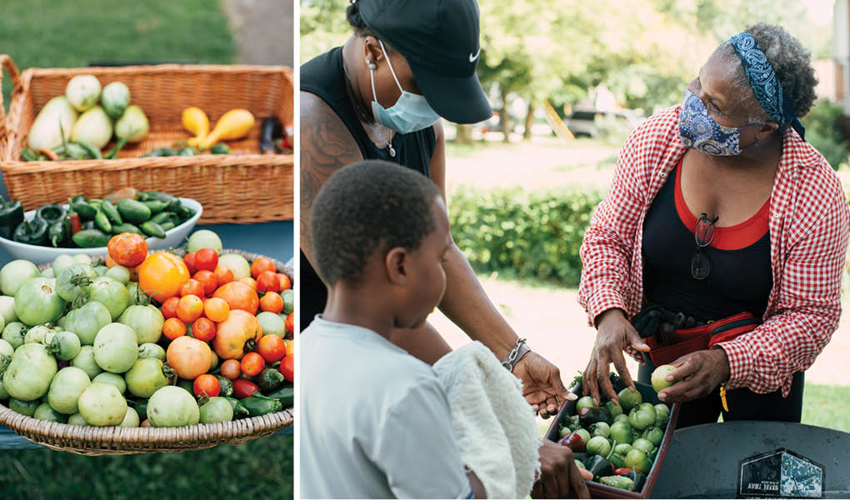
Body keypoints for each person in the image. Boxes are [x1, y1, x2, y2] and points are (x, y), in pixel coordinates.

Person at [300, 2, 570, 421]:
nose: (432, 105)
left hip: (396, 356)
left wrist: (513, 356)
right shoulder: (313, 126)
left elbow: (436, 249)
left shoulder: (419, 122)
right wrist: (485, 409)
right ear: (373, 53)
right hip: (334, 374)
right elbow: (374, 301)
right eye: (425, 84)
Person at [578, 23, 850, 428]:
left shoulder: (813, 190)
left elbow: (809, 316)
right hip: (663, 360)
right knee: (664, 483)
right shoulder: (656, 140)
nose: (693, 106)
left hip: (762, 383)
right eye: (698, 86)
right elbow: (608, 239)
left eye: (715, 106)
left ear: (765, 128)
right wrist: (610, 313)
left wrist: (727, 361)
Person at [300, 161, 588, 499]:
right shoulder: (406, 388)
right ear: (400, 266)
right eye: (440, 259)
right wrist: (508, 452)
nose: (444, 276)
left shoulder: (306, 348)